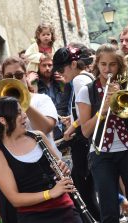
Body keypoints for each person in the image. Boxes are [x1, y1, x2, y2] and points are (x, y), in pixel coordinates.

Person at [76, 44, 128, 223]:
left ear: (119, 65)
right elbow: (86, 131)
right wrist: (102, 110)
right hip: (101, 153)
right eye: (103, 64)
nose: (107, 69)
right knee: (108, 210)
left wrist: (122, 97)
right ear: (97, 65)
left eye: (112, 65)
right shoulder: (86, 90)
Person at [0, 96, 81, 223]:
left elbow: (61, 170)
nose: (25, 115)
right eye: (19, 113)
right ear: (3, 120)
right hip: (33, 216)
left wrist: (63, 170)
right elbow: (15, 199)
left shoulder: (38, 136)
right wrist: (50, 193)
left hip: (65, 208)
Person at [0, 56, 60, 223]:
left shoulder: (42, 100)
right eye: (9, 77)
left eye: (18, 75)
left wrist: (24, 101)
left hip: (46, 169)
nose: (15, 79)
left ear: (26, 75)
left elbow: (45, 128)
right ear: (2, 79)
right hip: (17, 175)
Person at [52, 43, 100, 221]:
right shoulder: (82, 78)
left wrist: (71, 127)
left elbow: (90, 112)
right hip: (85, 140)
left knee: (83, 193)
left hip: (84, 142)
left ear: (73, 64)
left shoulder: (79, 79)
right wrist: (71, 120)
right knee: (84, 191)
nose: (59, 73)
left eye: (61, 68)